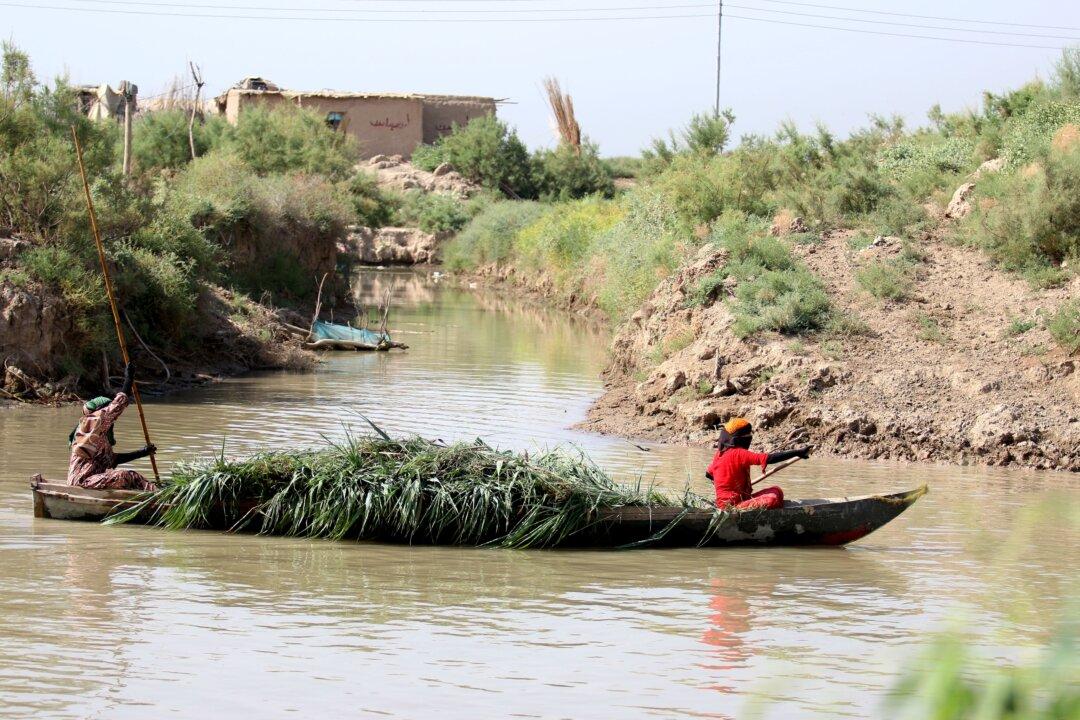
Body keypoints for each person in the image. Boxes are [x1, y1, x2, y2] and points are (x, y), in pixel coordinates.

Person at [67, 362, 156, 491]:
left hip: (94, 481)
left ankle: (157, 493)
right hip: (82, 482)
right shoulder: (91, 423)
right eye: (105, 409)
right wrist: (129, 378)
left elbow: (113, 460)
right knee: (127, 476)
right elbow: (117, 406)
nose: (108, 414)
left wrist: (143, 452)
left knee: (133, 478)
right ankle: (159, 498)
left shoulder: (100, 438)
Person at [705, 417, 809, 510]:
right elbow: (769, 458)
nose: (750, 436)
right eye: (748, 434)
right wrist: (797, 452)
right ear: (739, 437)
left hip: (729, 502)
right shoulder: (739, 453)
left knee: (776, 490)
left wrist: (726, 489)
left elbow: (709, 474)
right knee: (774, 497)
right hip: (732, 506)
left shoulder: (719, 453)